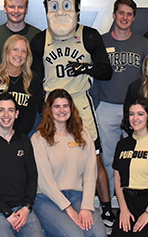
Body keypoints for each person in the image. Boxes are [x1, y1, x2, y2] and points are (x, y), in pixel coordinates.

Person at [29, 0, 115, 225]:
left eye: (66, 2)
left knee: (94, 155)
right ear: (45, 6)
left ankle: (107, 207)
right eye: (53, 3)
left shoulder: (88, 35)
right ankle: (54, 205)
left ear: (77, 3)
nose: (60, 9)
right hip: (50, 103)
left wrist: (85, 67)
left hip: (79, 101)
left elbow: (106, 71)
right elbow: (33, 79)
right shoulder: (39, 39)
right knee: (49, 157)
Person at [90, 0, 148, 199]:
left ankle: (130, 201)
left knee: (133, 157)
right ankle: (107, 202)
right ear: (114, 15)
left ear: (133, 18)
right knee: (107, 158)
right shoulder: (101, 41)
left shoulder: (143, 44)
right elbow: (92, 75)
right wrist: (97, 103)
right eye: (121, 13)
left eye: (129, 14)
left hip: (133, 108)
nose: (124, 17)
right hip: (106, 106)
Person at [31, 89, 106, 237]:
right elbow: (45, 181)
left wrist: (86, 207)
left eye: (65, 106)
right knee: (75, 235)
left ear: (71, 108)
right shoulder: (39, 139)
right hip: (48, 199)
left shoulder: (84, 135)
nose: (62, 110)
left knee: (98, 234)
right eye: (57, 106)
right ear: (49, 110)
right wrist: (68, 208)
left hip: (77, 196)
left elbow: (91, 173)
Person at [0, 93, 44, 237]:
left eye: (10, 110)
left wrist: (27, 208)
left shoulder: (24, 141)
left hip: (23, 210)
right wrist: (7, 212)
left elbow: (32, 176)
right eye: (1, 110)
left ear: (17, 114)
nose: (6, 115)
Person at [111, 98, 148, 237]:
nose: (135, 118)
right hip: (127, 203)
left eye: (140, 114)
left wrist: (147, 214)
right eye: (131, 114)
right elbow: (117, 180)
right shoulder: (122, 145)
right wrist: (123, 209)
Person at [0, 35, 44, 136]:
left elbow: (30, 117)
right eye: (15, 49)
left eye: (24, 51)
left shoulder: (33, 80)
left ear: (28, 55)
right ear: (7, 51)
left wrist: (16, 138)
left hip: (21, 137)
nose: (19, 54)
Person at [0, 0, 42, 71]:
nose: (16, 11)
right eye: (11, 7)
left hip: (30, 83)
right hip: (0, 83)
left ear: (26, 10)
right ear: (5, 9)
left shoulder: (38, 36)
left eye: (20, 7)